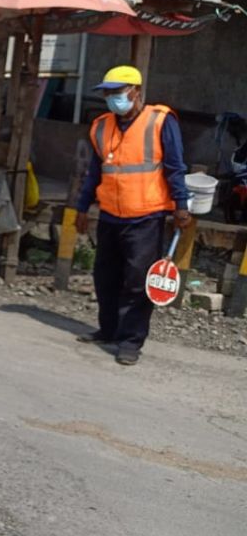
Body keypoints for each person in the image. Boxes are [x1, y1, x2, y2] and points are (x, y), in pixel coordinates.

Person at [73, 65, 191, 366]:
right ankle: (109, 330)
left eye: (117, 92)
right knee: (105, 276)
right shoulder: (100, 126)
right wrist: (83, 207)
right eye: (107, 93)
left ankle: (130, 341)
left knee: (137, 282)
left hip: (145, 216)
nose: (111, 98)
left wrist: (181, 205)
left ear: (135, 91)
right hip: (110, 214)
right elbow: (94, 172)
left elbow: (175, 166)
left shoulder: (160, 121)